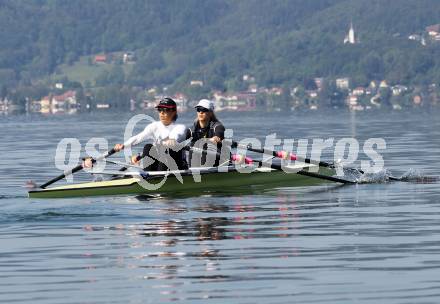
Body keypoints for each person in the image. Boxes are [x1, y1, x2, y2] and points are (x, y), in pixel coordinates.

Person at [84, 97, 188, 171]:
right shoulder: (154, 126)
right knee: (148, 147)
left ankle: (156, 179)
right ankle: (150, 176)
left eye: (165, 110)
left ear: (174, 112)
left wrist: (172, 141)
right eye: (160, 110)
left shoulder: (180, 128)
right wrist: (123, 145)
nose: (162, 113)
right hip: (162, 166)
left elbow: (176, 136)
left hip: (177, 167)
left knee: (165, 148)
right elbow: (137, 138)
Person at [187, 99, 228, 167]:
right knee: (193, 145)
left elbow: (219, 132)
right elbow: (182, 136)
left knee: (203, 144)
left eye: (204, 110)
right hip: (198, 162)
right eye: (198, 109)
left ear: (210, 113)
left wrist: (216, 138)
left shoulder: (217, 126)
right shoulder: (193, 129)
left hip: (219, 160)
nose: (200, 112)